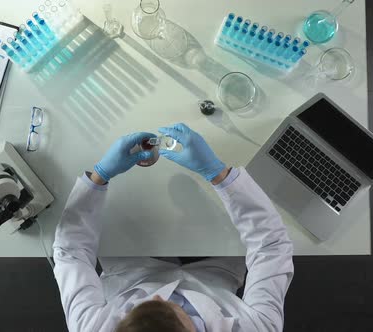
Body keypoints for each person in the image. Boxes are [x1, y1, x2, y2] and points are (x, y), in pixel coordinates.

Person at [53, 123, 294, 332]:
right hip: (217, 268)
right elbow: (272, 247)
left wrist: (99, 176)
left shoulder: (93, 327)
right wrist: (218, 173)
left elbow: (71, 254)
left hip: (130, 266)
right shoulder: (256, 327)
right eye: (172, 308)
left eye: (147, 305)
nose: (159, 295)